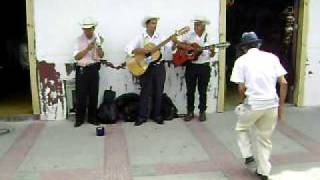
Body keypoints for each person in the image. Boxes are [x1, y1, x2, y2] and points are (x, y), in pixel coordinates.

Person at [230, 32, 287, 180]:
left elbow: (241, 88)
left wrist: (243, 102)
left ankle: (248, 155)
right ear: (258, 44)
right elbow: (284, 83)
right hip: (271, 104)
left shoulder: (241, 61)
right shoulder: (272, 57)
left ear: (243, 48)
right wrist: (281, 107)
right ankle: (264, 171)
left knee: (241, 128)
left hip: (253, 103)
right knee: (264, 138)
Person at [125, 15, 172, 126]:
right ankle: (142, 116)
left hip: (159, 66)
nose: (154, 25)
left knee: (159, 91)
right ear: (147, 24)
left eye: (155, 23)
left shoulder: (161, 37)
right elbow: (127, 48)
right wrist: (140, 50)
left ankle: (157, 115)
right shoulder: (140, 37)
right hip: (145, 67)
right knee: (145, 92)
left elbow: (170, 48)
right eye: (152, 23)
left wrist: (173, 42)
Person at [173, 16, 216, 122]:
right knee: (190, 90)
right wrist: (187, 48)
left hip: (204, 66)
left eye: (198, 24)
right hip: (191, 65)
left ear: (203, 26)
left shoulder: (209, 38)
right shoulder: (189, 36)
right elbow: (177, 43)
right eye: (195, 24)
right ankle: (190, 111)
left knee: (202, 90)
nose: (195, 26)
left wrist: (212, 50)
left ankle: (202, 112)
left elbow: (212, 55)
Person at [73, 17, 104, 127]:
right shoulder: (78, 40)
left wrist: (99, 46)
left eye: (89, 29)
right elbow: (76, 57)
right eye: (84, 29)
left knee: (93, 95)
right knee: (81, 95)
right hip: (82, 70)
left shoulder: (97, 39)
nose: (86, 31)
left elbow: (101, 55)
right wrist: (87, 48)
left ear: (93, 28)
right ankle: (79, 119)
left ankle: (92, 118)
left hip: (94, 68)